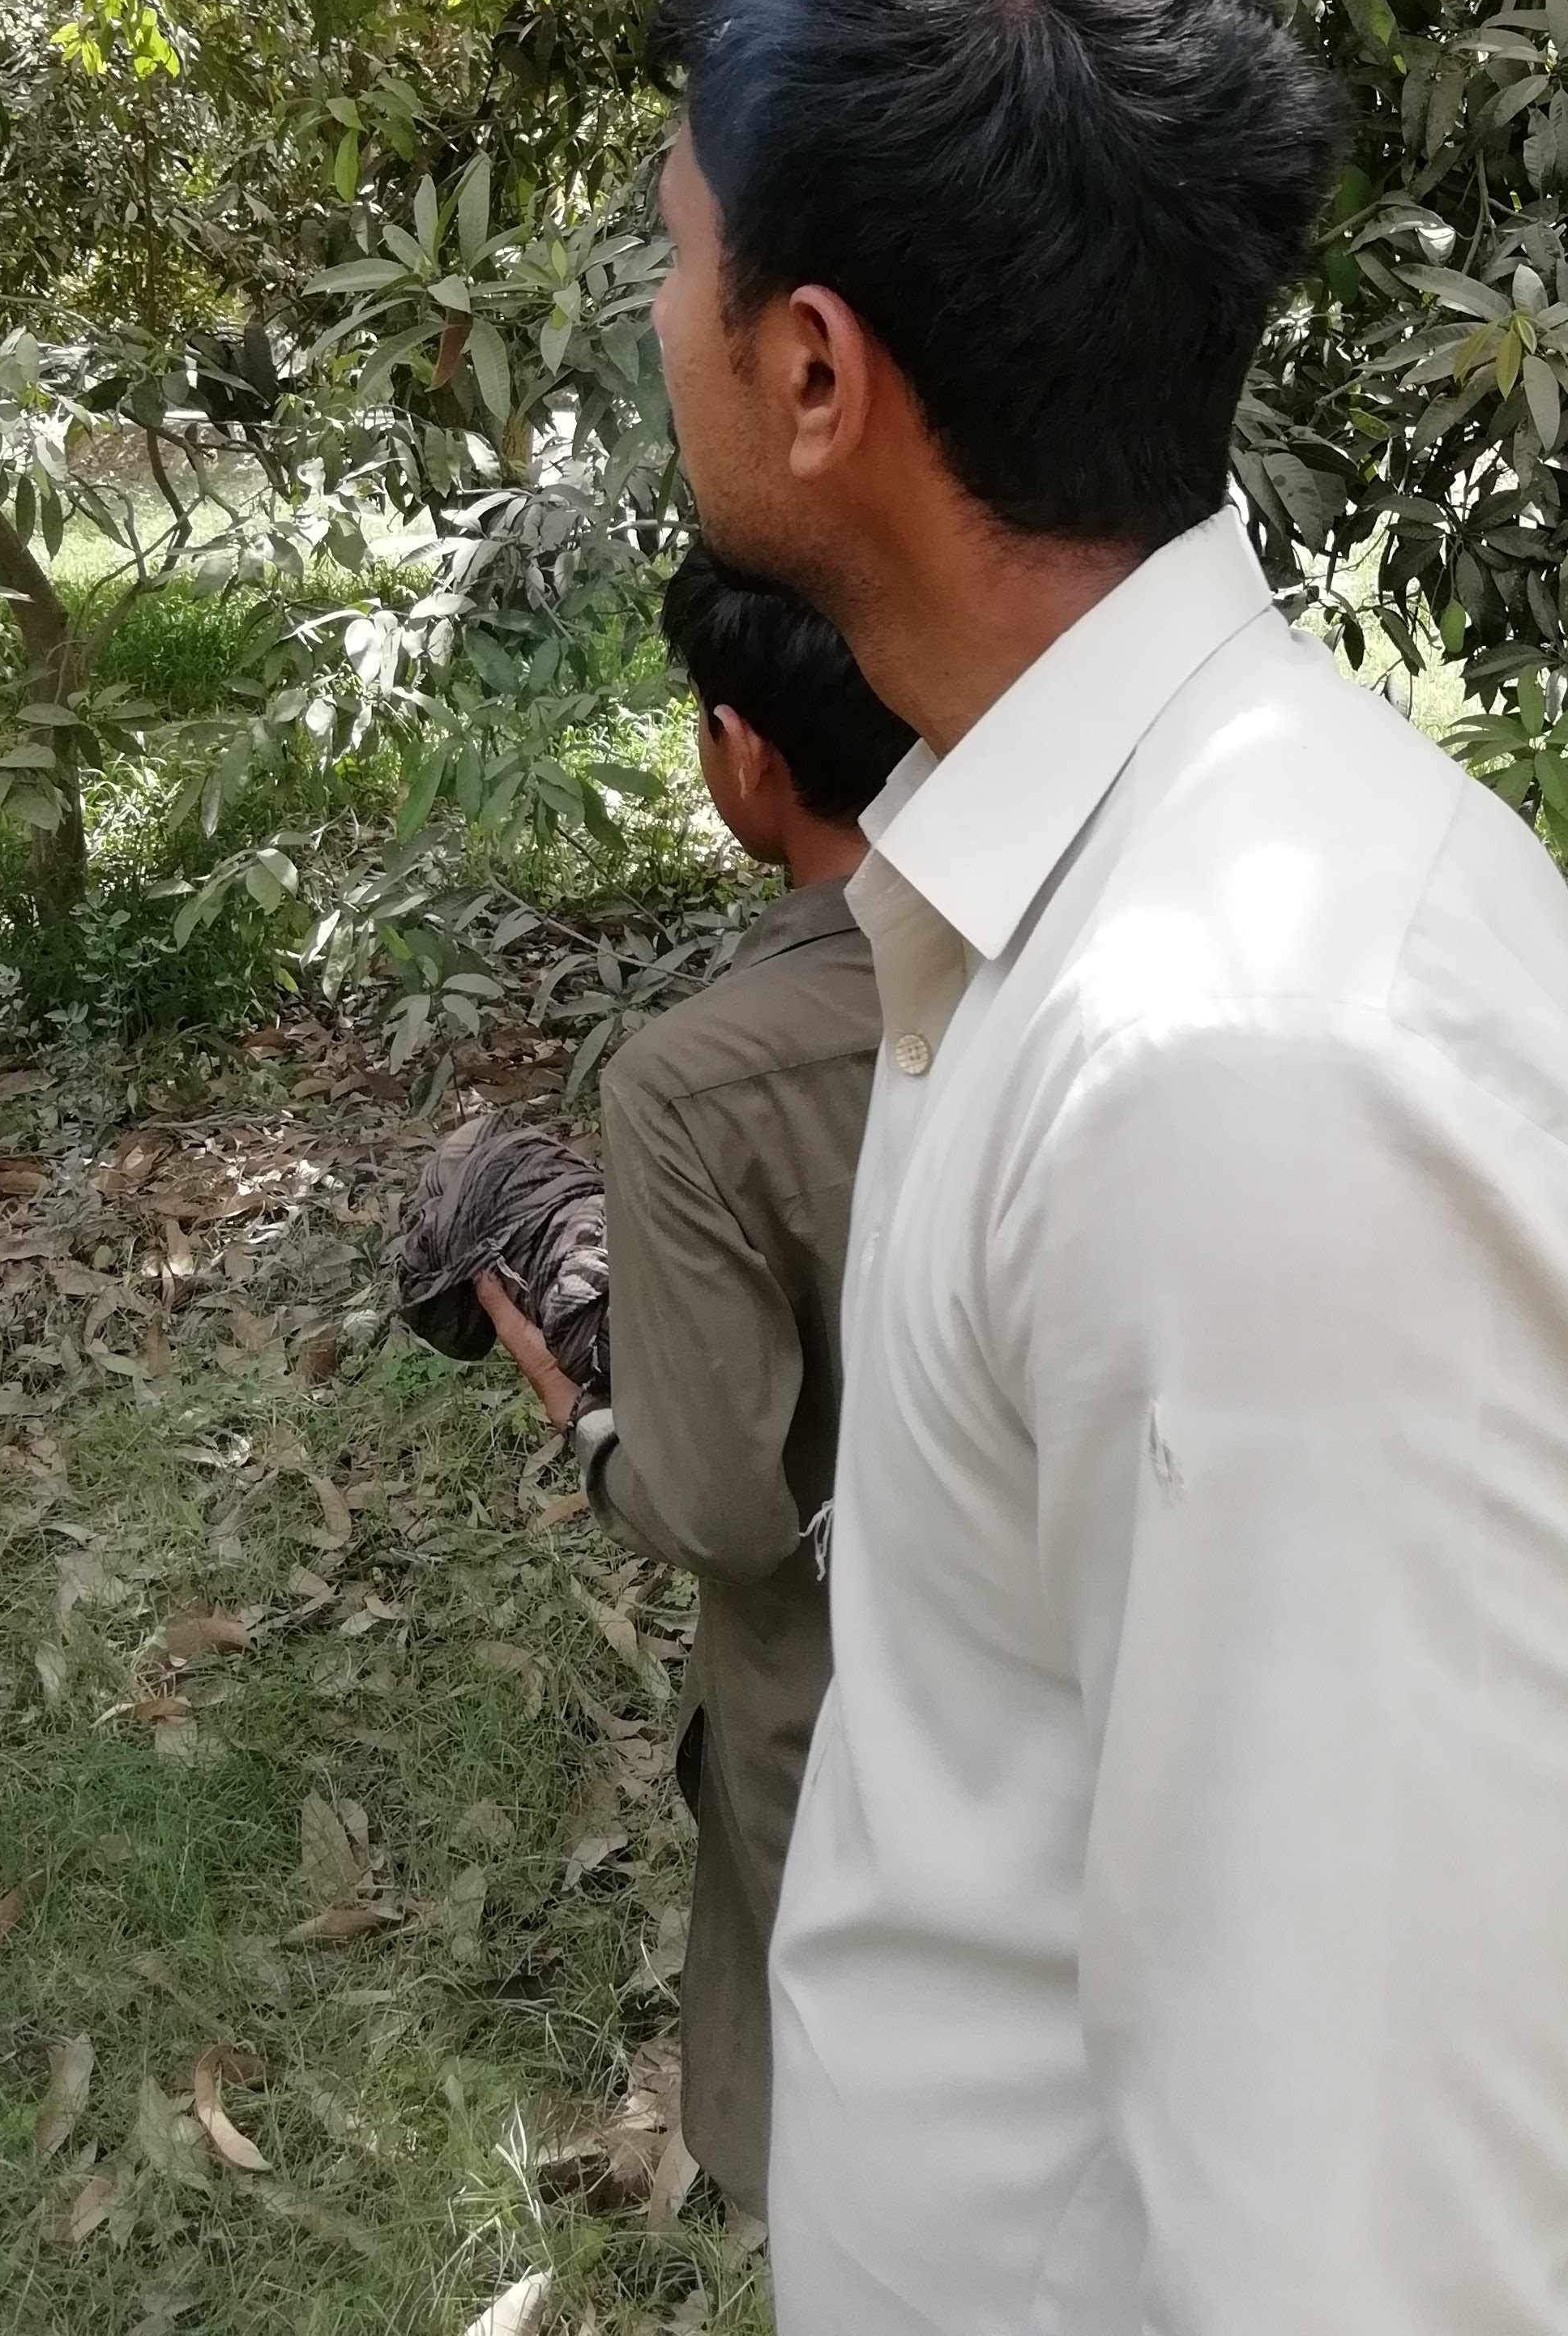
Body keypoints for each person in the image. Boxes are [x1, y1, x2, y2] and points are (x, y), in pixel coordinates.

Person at [647, 0, 1568, 2335]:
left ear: (816, 372)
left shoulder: (1253, 1086)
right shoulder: (1081, 888)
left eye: (668, 254)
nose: (648, 315)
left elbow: (1378, 2268)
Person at [474, 541, 912, 2223]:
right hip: (1086, 1664)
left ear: (742, 751)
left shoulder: (694, 1086)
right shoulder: (1082, 955)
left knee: (866, 2140)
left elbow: (726, 1503)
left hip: (843, 1702)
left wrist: (591, 1422)